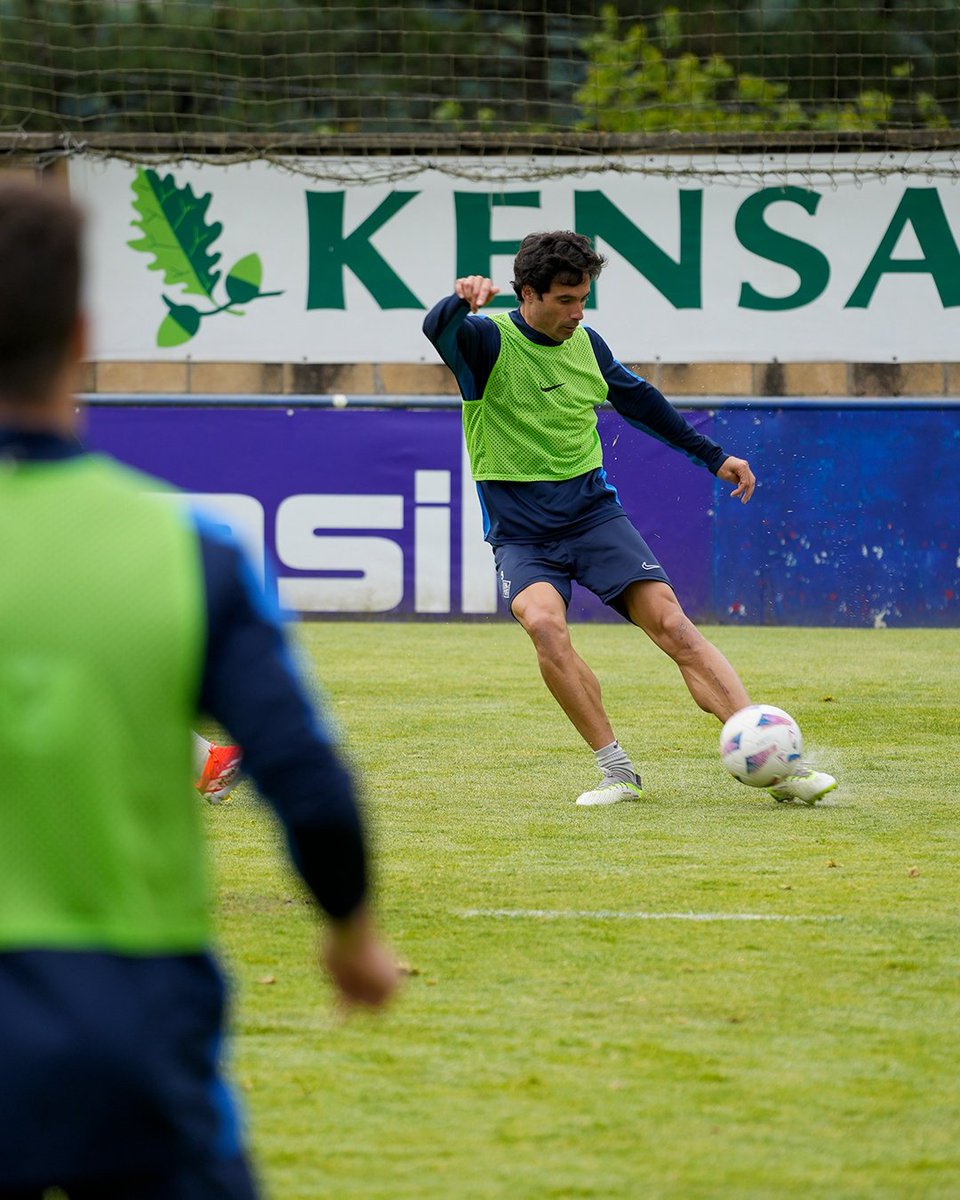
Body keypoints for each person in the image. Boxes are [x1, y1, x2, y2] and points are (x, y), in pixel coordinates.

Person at [0, 179, 398, 1198]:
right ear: (83, 332)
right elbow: (305, 780)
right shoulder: (186, 550)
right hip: (125, 1019)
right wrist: (349, 935)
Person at [423, 230, 836, 808]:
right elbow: (437, 331)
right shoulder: (485, 343)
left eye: (583, 299)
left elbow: (644, 405)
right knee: (544, 625)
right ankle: (616, 771)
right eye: (565, 301)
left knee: (672, 625)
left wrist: (715, 458)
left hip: (594, 518)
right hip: (522, 534)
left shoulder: (588, 346)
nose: (577, 312)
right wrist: (459, 302)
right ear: (527, 294)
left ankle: (775, 763)